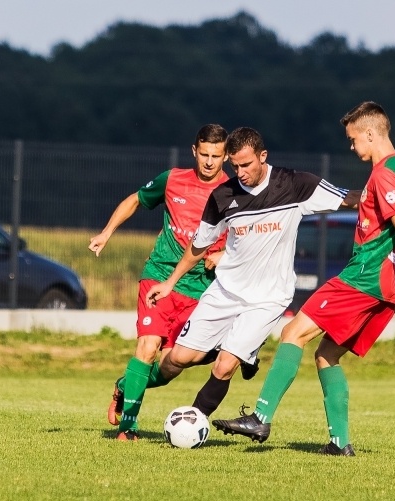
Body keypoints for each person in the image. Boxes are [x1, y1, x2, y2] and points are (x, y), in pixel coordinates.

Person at [212, 101, 395, 456]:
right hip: (385, 283)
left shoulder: (385, 173)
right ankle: (339, 443)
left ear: (371, 134)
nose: (351, 146)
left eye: (354, 138)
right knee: (326, 354)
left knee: (292, 332)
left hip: (365, 277)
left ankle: (261, 417)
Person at [145, 126, 360, 422]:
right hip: (225, 292)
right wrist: (170, 283)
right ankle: (133, 385)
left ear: (263, 156)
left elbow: (350, 198)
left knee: (224, 367)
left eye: (246, 164)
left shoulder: (295, 184)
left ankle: (193, 424)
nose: (240, 172)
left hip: (268, 299)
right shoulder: (223, 196)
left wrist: (390, 198)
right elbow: (199, 245)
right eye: (235, 166)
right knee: (177, 359)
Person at [89, 123, 232, 441]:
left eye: (217, 156)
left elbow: (244, 239)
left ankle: (125, 385)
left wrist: (224, 254)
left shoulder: (235, 192)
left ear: (226, 157)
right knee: (148, 347)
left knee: (170, 367)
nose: (209, 162)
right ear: (195, 151)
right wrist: (106, 233)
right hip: (159, 277)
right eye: (204, 154)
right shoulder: (173, 180)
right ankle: (129, 426)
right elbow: (136, 200)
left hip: (200, 289)